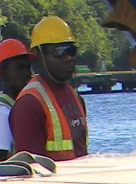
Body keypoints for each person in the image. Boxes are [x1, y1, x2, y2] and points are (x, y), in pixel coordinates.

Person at [9, 16, 88, 162]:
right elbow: (32, 168)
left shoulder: (75, 97)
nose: (68, 58)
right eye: (59, 52)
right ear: (39, 55)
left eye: (71, 51)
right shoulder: (29, 104)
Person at [0, 38, 31, 161]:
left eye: (28, 67)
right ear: (2, 70)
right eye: (19, 68)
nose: (26, 73)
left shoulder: (14, 106)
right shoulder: (2, 112)